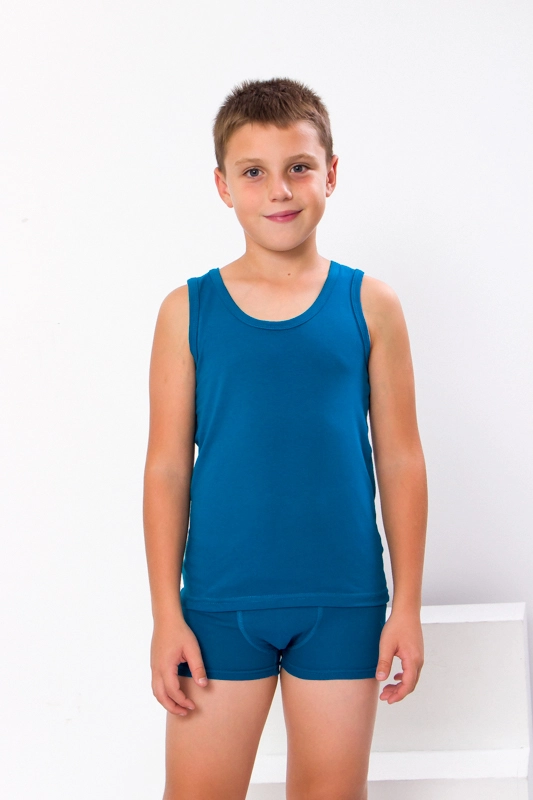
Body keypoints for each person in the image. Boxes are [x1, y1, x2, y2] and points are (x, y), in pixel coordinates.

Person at [143, 77, 427, 800]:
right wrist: (166, 613)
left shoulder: (371, 304)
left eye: (299, 166)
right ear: (222, 186)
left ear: (330, 173)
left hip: (343, 601)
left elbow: (400, 460)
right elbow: (168, 468)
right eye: (253, 172)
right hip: (218, 606)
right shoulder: (187, 311)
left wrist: (406, 606)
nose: (279, 190)